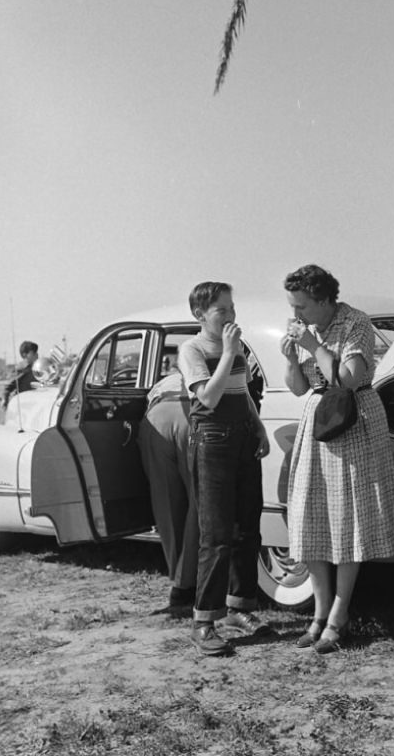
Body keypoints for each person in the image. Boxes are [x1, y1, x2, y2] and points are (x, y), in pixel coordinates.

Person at [281, 264, 394, 654]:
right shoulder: (308, 328)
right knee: (311, 516)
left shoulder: (355, 322)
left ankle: (339, 613)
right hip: (318, 421)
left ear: (323, 299)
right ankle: (318, 613)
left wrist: (314, 348)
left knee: (348, 519)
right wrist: (290, 358)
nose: (297, 315)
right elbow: (300, 388)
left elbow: (349, 378)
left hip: (353, 420)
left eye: (302, 306)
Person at [178, 281, 272, 657]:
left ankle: (240, 607)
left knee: (247, 529)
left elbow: (242, 391)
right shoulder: (193, 349)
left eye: (232, 308)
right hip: (213, 439)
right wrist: (229, 350)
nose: (230, 316)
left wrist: (259, 427)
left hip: (243, 437)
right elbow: (209, 396)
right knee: (215, 534)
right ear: (201, 314)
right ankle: (203, 621)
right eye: (222, 310)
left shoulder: (237, 348)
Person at [137, 368, 199, 608]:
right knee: (197, 501)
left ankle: (178, 582)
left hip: (157, 415)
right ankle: (191, 580)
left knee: (165, 502)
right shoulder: (201, 370)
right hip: (191, 414)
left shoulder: (162, 382)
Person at [2, 341, 39, 408]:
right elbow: (8, 386)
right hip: (23, 404)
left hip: (34, 402)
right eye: (33, 353)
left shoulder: (36, 368)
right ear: (25, 355)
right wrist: (5, 399)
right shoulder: (21, 368)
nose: (37, 354)